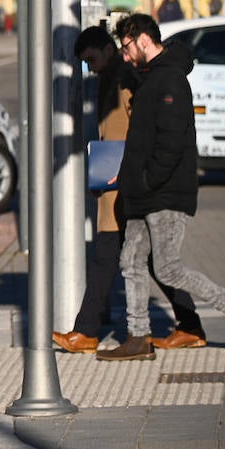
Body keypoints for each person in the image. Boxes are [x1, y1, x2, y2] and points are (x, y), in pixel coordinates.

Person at [96, 13, 225, 361]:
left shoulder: (169, 81)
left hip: (164, 193)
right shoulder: (150, 78)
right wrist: (128, 180)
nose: (124, 55)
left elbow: (170, 143)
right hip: (142, 192)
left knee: (167, 268)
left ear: (142, 40)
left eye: (126, 48)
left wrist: (148, 180)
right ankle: (138, 337)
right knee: (132, 261)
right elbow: (142, 141)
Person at [53, 25, 205, 354]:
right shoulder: (114, 76)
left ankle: (87, 331)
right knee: (146, 261)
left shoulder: (127, 77)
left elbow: (143, 129)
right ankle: (190, 326)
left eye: (91, 59)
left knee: (109, 256)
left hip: (126, 180)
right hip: (119, 178)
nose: (89, 67)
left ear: (109, 49)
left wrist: (128, 173)